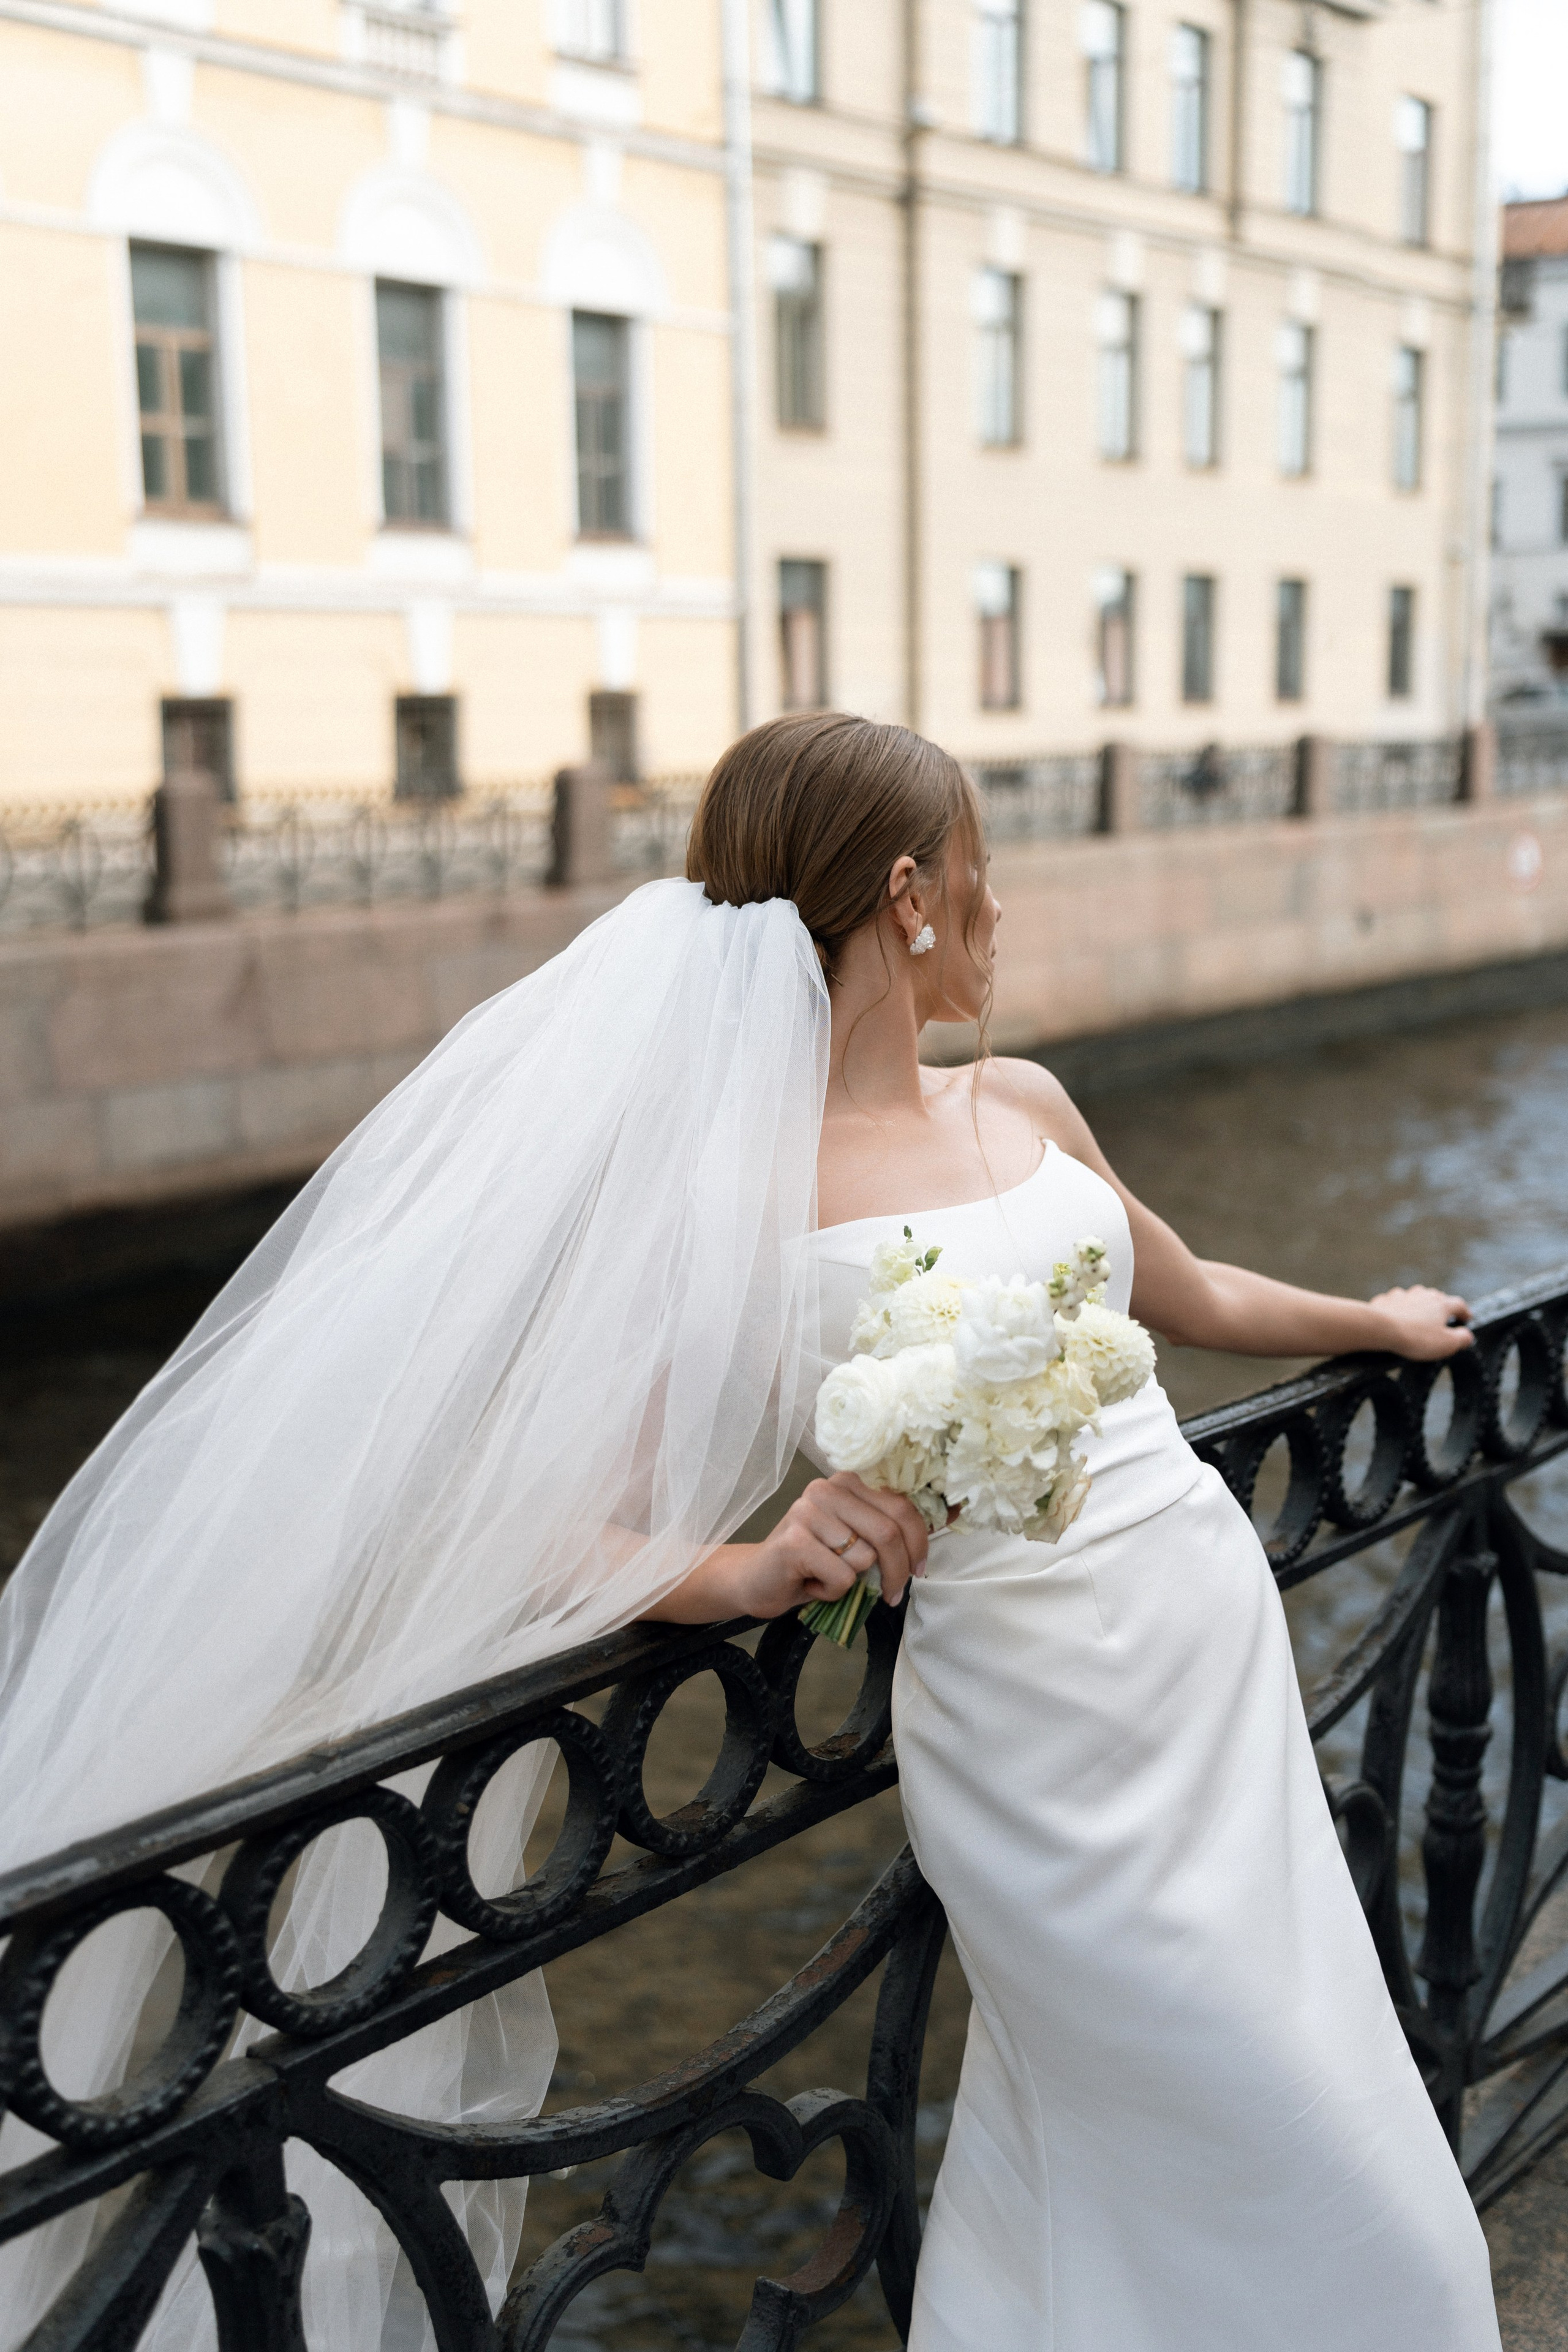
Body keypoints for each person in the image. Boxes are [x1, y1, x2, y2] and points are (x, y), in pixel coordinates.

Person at [0, 712, 1498, 2351]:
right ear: (911, 896)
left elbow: (1189, 1292)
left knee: (1283, 2061)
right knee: (1244, 2107)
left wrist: (1371, 1321)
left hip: (1209, 1658)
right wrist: (758, 1571)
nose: (1001, 911)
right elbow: (548, 1528)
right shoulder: (733, 1201)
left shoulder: (1026, 1099)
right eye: (982, 873)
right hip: (1034, 1730)